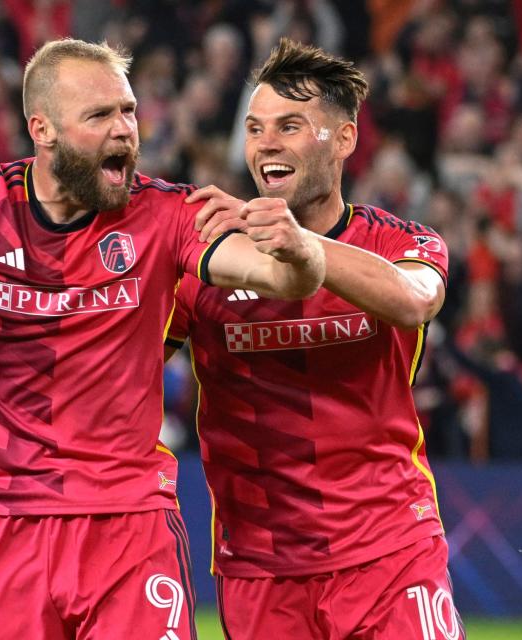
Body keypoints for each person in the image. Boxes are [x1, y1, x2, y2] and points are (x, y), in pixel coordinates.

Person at [0, 38, 326, 640]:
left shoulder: (169, 214)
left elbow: (280, 276)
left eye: (128, 111)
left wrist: (297, 250)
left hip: (128, 522)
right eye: (100, 116)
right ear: (42, 129)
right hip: (1, 521)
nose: (125, 130)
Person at [166, 39, 466, 638]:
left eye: (290, 126)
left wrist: (306, 247)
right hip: (261, 569)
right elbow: (121, 363)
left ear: (346, 139)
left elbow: (414, 301)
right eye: (254, 129)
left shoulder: (401, 243)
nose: (265, 144)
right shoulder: (208, 260)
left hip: (390, 552)